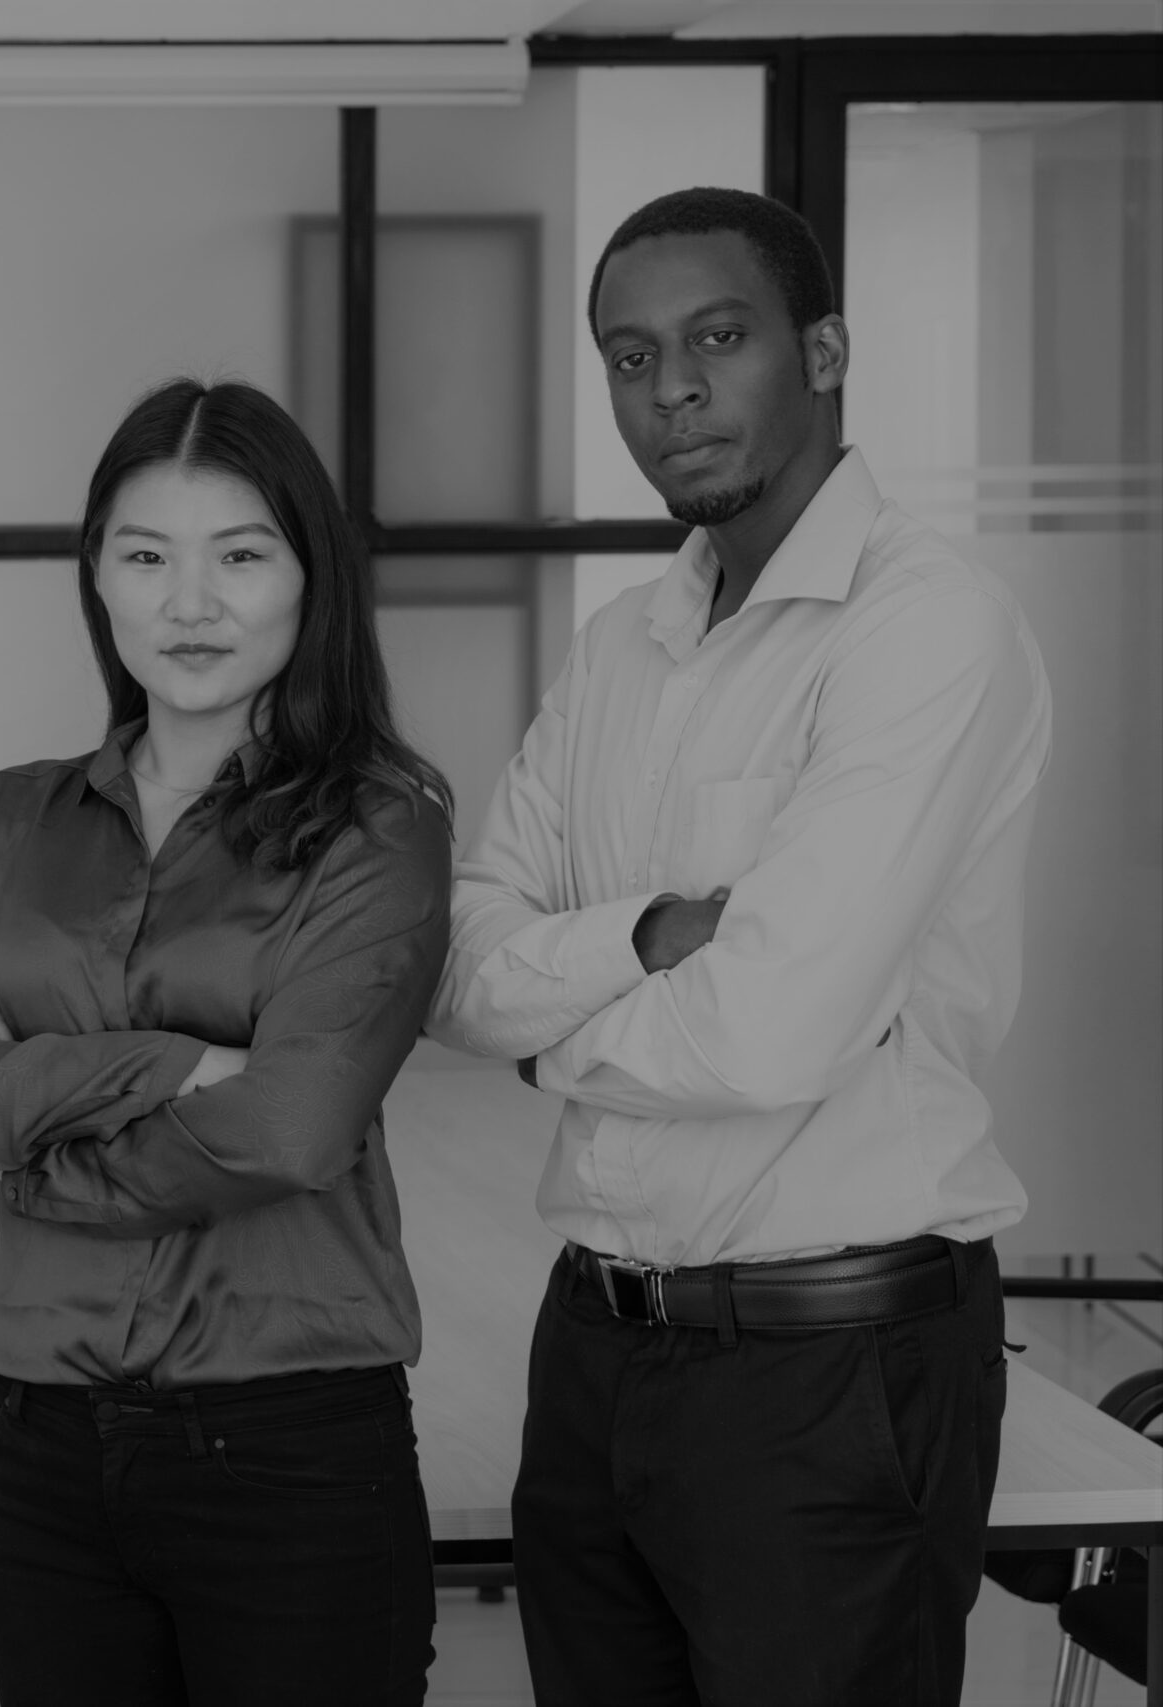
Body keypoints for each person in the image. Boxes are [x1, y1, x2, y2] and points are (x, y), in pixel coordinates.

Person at [429, 186, 1051, 1704]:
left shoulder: (924, 631)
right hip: (596, 1352)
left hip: (831, 1368)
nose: (674, 391)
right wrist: (651, 935)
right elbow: (455, 968)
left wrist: (556, 1028)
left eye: (721, 338)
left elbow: (770, 1031)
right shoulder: (620, 647)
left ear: (823, 348)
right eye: (631, 358)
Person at [0, 378, 452, 1705]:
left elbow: (293, 1129)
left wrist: (18, 1112)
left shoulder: (380, 824)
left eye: (241, 556)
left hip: (291, 1450)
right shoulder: (9, 823)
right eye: (147, 557)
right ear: (98, 581)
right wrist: (173, 1069)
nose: (191, 605)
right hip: (37, 1446)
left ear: (310, 579)